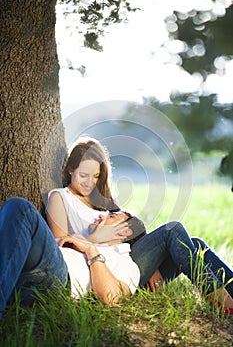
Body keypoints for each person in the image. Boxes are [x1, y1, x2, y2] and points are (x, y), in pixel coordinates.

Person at [47, 136, 233, 315]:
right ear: (70, 169)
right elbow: (61, 245)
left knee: (196, 245)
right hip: (108, 273)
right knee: (173, 230)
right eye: (83, 175)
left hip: (131, 262)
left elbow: (132, 233)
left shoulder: (100, 200)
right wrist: (95, 239)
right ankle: (222, 302)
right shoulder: (60, 197)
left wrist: (152, 265)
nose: (89, 183)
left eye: (95, 176)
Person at [0, 197, 139, 321]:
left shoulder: (126, 262)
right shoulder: (86, 238)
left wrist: (91, 251)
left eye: (112, 217)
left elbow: (111, 297)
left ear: (125, 231)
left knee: (22, 208)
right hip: (26, 268)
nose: (102, 216)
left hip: (59, 277)